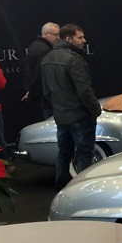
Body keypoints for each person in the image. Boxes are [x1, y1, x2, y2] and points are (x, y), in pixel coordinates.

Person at [41, 23, 102, 190]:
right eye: (80, 37)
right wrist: (95, 110)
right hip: (80, 116)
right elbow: (84, 90)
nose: (84, 40)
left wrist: (59, 107)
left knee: (64, 153)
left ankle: (61, 188)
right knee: (85, 154)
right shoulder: (74, 59)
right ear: (68, 39)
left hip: (61, 116)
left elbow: (46, 91)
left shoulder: (47, 59)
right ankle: (84, 190)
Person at [22, 22, 59, 119]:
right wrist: (32, 94)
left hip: (43, 96)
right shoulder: (45, 50)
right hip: (49, 97)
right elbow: (40, 75)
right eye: (55, 34)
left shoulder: (35, 45)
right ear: (45, 34)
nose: (58, 37)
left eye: (59, 34)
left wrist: (31, 92)